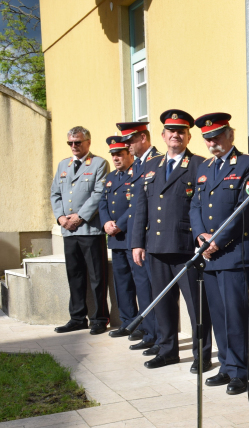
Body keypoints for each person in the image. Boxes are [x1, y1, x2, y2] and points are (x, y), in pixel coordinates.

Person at [131, 109, 212, 373]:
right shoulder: (150, 165)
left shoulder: (199, 164)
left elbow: (203, 206)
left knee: (196, 306)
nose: (175, 136)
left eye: (181, 132)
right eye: (171, 131)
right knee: (163, 304)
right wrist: (137, 243)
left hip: (185, 247)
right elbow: (140, 206)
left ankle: (202, 356)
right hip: (155, 246)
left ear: (188, 137)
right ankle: (167, 351)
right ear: (163, 136)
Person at [189, 112, 249, 396]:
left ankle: (240, 372)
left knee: (234, 314)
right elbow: (195, 205)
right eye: (207, 138)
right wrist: (201, 237)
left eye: (217, 136)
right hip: (209, 254)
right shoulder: (204, 167)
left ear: (230, 135)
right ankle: (226, 366)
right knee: (218, 315)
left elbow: (245, 207)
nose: (212, 142)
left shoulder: (247, 163)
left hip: (234, 252)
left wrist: (217, 239)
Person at [50, 126, 110, 335]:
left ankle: (100, 318)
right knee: (74, 275)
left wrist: (80, 217)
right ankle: (77, 318)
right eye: (70, 143)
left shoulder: (99, 163)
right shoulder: (63, 165)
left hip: (89, 230)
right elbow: (55, 194)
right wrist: (60, 218)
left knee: (97, 276)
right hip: (68, 231)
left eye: (78, 142)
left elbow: (99, 193)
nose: (74, 146)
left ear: (88, 142)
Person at [117, 121, 160, 349]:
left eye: (131, 140)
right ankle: (149, 331)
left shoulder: (158, 162)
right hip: (137, 239)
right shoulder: (138, 165)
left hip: (151, 238)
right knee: (142, 287)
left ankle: (159, 335)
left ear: (143, 138)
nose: (127, 145)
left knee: (153, 290)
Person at [99, 136, 139, 339]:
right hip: (115, 239)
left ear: (129, 154)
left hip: (132, 237)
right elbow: (102, 203)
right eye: (113, 155)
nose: (115, 158)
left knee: (139, 283)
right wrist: (106, 223)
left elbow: (137, 205)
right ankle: (127, 322)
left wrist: (119, 225)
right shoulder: (110, 178)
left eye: (119, 154)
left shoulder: (136, 175)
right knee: (122, 283)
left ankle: (143, 325)